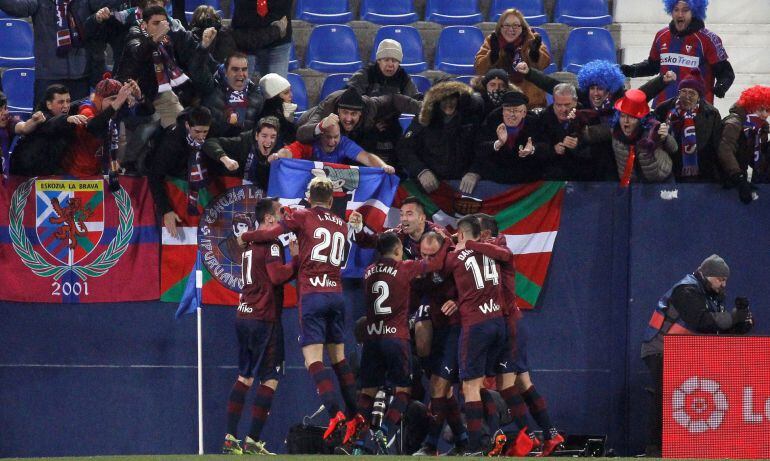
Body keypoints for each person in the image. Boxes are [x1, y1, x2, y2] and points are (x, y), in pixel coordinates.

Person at [238, 177, 362, 446]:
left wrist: (244, 236)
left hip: (313, 295)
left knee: (313, 360)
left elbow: (269, 234)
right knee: (339, 359)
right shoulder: (340, 223)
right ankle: (356, 415)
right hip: (336, 294)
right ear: (331, 200)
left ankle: (335, 414)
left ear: (309, 197)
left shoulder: (303, 215)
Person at [640, 254, 753, 457]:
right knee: (665, 395)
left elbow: (718, 328)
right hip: (660, 348)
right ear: (706, 275)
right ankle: (654, 449)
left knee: (674, 397)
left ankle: (683, 446)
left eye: (725, 280)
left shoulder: (710, 295)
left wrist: (740, 324)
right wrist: (732, 317)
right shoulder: (685, 290)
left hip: (682, 353)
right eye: (720, 279)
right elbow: (701, 320)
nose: (723, 284)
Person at [355, 232, 448, 452]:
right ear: (398, 250)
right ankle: (385, 428)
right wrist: (446, 243)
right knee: (404, 390)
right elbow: (435, 263)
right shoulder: (405, 267)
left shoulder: (368, 271)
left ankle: (358, 443)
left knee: (367, 392)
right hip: (396, 338)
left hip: (372, 338)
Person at [221, 197, 298, 455]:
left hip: (244, 314)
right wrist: (296, 261)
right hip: (265, 317)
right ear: (269, 218)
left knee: (244, 376)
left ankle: (230, 438)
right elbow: (277, 276)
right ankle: (252, 440)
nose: (283, 217)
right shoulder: (271, 243)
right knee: (270, 378)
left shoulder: (250, 244)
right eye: (280, 213)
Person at [441, 216, 509, 455]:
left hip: (476, 325)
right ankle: (492, 434)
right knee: (480, 385)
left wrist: (448, 245)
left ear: (460, 234)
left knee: (469, 388)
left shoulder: (455, 256)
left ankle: (474, 447)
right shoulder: (493, 252)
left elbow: (438, 269)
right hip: (498, 322)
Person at [117, 5, 217, 129]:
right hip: (131, 94)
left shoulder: (168, 40)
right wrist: (154, 39)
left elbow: (188, 62)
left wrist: (203, 46)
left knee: (181, 128)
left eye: (163, 23)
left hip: (160, 93)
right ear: (144, 25)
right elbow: (138, 54)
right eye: (156, 23)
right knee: (141, 135)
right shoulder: (134, 34)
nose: (161, 27)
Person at [620, 0, 734, 107]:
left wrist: (721, 86)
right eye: (676, 9)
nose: (680, 15)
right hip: (662, 108)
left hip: (696, 110)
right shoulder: (661, 35)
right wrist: (629, 70)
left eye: (685, 10)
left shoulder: (708, 39)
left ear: (694, 11)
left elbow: (725, 72)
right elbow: (653, 66)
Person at [0, 0, 108, 105]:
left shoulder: (84, 2)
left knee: (78, 116)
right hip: (48, 77)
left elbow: (108, 3)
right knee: (43, 116)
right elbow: (18, 7)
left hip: (80, 76)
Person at [397, 81, 485, 194]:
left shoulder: (471, 118)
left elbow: (483, 148)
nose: (449, 104)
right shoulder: (424, 119)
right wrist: (421, 171)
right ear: (436, 100)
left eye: (452, 98)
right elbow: (404, 148)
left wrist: (475, 172)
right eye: (444, 99)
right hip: (430, 183)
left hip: (464, 183)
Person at [296, 87, 421, 165]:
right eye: (345, 112)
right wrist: (321, 126)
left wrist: (424, 108)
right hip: (307, 132)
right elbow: (301, 133)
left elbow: (395, 99)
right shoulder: (327, 107)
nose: (348, 119)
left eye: (353, 114)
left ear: (361, 113)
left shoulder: (370, 106)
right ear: (338, 111)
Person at [347, 39, 421, 166]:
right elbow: (350, 98)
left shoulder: (403, 77)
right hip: (365, 126)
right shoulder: (366, 74)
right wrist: (369, 122)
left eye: (395, 61)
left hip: (391, 125)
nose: (391, 65)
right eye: (386, 60)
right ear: (379, 60)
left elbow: (417, 99)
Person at [149, 106, 216, 239]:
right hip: (172, 171)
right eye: (197, 131)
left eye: (205, 132)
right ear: (187, 125)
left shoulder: (213, 130)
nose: (201, 136)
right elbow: (154, 175)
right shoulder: (171, 143)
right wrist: (166, 210)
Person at [61, 76, 140, 181]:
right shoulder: (87, 109)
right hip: (77, 175)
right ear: (99, 99)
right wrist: (117, 102)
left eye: (118, 98)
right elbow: (93, 126)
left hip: (99, 171)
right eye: (112, 99)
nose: (117, 102)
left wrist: (139, 97)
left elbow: (147, 112)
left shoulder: (114, 108)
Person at [653, 70, 723, 182]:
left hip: (701, 171)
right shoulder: (663, 109)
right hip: (670, 169)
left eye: (692, 93)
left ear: (699, 96)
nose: (687, 97)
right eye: (683, 92)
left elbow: (716, 145)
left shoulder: (711, 113)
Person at [474, 8, 551, 109]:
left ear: (522, 27)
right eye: (506, 25)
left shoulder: (532, 38)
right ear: (500, 27)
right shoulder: (492, 40)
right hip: (500, 99)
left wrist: (535, 55)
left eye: (515, 25)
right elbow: (479, 68)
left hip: (530, 100)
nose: (511, 29)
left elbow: (544, 63)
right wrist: (492, 55)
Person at [10, 84, 88, 177]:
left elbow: (77, 103)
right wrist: (66, 119)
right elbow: (52, 123)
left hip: (46, 171)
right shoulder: (40, 117)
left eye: (68, 101)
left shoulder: (62, 110)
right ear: (49, 105)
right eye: (61, 102)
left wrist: (93, 97)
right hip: (24, 173)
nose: (66, 106)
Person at [603, 89, 677, 185]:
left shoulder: (653, 130)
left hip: (661, 182)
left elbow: (674, 148)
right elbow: (594, 133)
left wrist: (666, 137)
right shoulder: (615, 131)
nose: (626, 121)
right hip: (632, 185)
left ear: (640, 119)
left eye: (631, 117)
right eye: (622, 116)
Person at [475, 90, 546, 184]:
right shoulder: (492, 119)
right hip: (496, 178)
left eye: (516, 110)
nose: (512, 114)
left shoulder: (534, 122)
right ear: (502, 111)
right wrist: (498, 143)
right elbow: (478, 148)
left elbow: (546, 146)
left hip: (527, 178)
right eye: (508, 110)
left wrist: (533, 149)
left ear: (524, 113)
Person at [274, 121, 395, 173]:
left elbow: (367, 157)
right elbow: (288, 152)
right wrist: (278, 156)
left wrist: (383, 166)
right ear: (321, 135)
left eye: (336, 137)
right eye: (328, 137)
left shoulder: (344, 143)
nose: (332, 142)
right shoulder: (310, 143)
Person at [717, 85, 770, 203]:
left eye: (768, 110)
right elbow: (725, 150)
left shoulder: (759, 127)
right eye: (761, 109)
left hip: (741, 177)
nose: (765, 114)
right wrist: (739, 177)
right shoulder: (734, 122)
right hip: (724, 179)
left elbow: (753, 155)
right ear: (750, 106)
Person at [203, 116, 282, 190]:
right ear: (256, 136)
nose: (268, 141)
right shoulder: (244, 141)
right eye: (264, 136)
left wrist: (269, 164)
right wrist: (225, 159)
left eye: (272, 137)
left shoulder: (281, 150)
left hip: (266, 193)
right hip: (240, 190)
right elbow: (210, 142)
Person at [201, 52, 265, 138]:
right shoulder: (213, 88)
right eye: (235, 69)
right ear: (226, 71)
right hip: (215, 142)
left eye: (244, 69)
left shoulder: (256, 94)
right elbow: (198, 69)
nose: (240, 74)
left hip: (244, 144)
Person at [230, 0, 291, 77]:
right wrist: (274, 28)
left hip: (277, 41)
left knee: (277, 83)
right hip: (245, 40)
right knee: (240, 80)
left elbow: (282, 6)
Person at [258, 73, 297, 146]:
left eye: (290, 91)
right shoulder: (266, 121)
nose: (291, 95)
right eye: (286, 93)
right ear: (275, 97)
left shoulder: (283, 113)